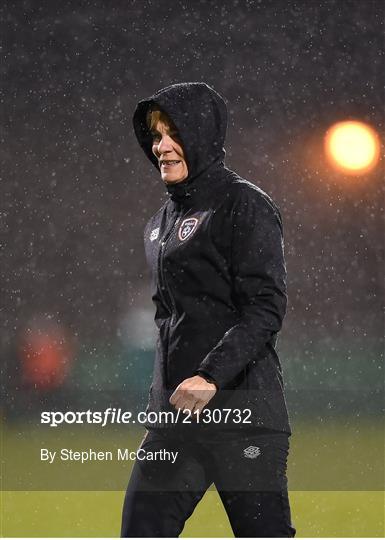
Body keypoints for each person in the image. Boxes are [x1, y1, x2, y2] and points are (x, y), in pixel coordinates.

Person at [121, 82, 296, 538]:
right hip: (176, 423)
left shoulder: (245, 204)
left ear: (200, 133)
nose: (160, 147)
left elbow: (265, 306)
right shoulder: (158, 224)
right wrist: (161, 402)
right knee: (140, 531)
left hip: (244, 416)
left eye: (172, 133)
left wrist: (211, 374)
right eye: (155, 136)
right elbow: (168, 323)